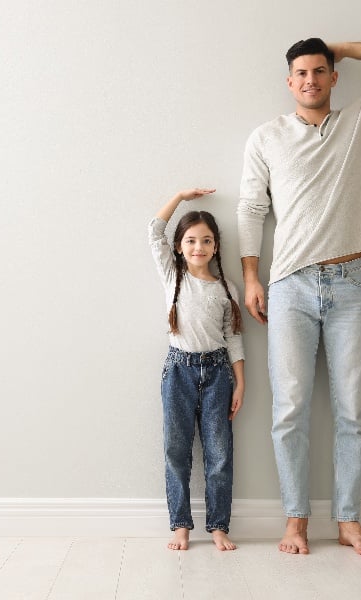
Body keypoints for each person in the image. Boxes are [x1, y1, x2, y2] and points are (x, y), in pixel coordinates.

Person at [236, 39, 361, 555]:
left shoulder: (360, 121)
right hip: (289, 285)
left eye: (320, 70)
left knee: (352, 412)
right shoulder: (267, 137)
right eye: (301, 72)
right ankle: (295, 521)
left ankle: (347, 520)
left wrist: (338, 46)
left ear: (334, 77)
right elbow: (251, 209)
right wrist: (252, 277)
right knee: (289, 409)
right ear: (289, 81)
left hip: (354, 282)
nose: (311, 79)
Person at [149, 188, 246, 551]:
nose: (198, 247)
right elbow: (153, 231)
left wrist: (240, 382)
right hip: (178, 372)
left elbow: (234, 338)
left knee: (219, 453)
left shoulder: (226, 288)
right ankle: (181, 526)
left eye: (206, 240)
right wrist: (179, 197)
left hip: (218, 373)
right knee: (177, 450)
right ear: (179, 247)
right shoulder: (173, 277)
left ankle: (219, 526)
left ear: (216, 246)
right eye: (190, 241)